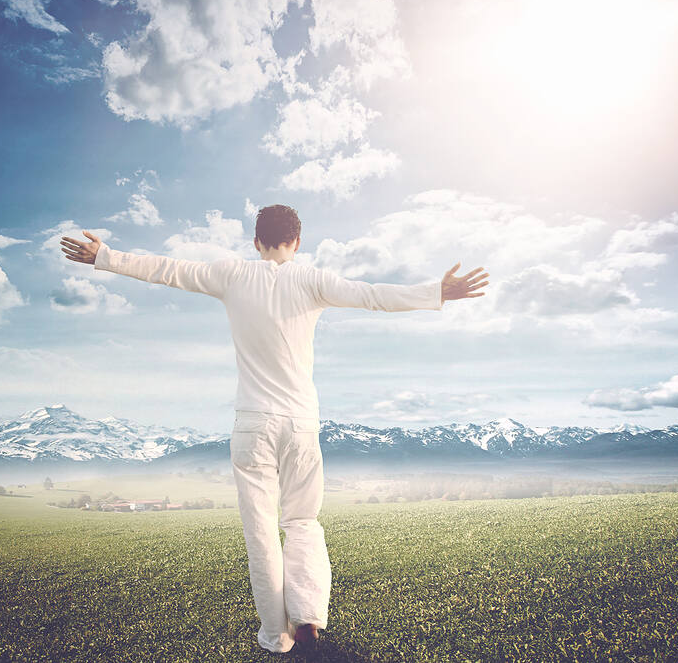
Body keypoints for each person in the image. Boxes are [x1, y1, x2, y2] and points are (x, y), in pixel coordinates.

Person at [60, 204, 489, 653]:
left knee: (261, 533)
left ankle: (276, 637)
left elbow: (167, 269)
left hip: (252, 425)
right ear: (297, 242)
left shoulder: (231, 274)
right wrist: (435, 292)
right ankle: (307, 616)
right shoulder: (312, 279)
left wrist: (105, 256)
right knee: (302, 520)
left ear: (255, 242)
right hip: (301, 423)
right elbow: (372, 294)